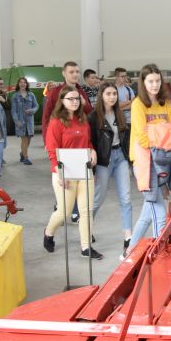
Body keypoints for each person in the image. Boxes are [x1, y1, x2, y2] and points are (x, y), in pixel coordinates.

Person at [124, 64, 171, 260]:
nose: (155, 85)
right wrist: (164, 132)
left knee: (148, 212)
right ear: (143, 82)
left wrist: (156, 132)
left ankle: (129, 252)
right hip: (145, 162)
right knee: (159, 212)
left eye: (157, 81)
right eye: (150, 81)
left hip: (163, 160)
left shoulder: (166, 103)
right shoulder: (138, 104)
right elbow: (142, 137)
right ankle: (159, 256)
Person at [43, 88, 101, 260]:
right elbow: (52, 150)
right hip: (64, 172)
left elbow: (87, 142)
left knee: (86, 210)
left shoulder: (82, 120)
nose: (75, 102)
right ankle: (48, 232)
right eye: (71, 99)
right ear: (62, 100)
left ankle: (86, 247)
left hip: (83, 170)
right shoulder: (56, 122)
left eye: (77, 99)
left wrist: (92, 151)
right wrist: (60, 173)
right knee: (64, 212)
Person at [89, 81, 133, 255]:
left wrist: (129, 159)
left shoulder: (119, 114)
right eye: (108, 94)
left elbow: (125, 137)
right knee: (98, 199)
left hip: (120, 157)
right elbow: (90, 143)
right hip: (103, 161)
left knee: (126, 198)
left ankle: (128, 236)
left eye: (114, 94)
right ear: (101, 96)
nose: (112, 97)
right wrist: (92, 170)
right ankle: (86, 229)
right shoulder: (93, 117)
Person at [42, 62, 93, 148]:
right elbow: (46, 116)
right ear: (64, 73)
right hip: (61, 137)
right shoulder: (55, 92)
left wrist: (85, 104)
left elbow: (91, 114)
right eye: (71, 72)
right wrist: (46, 141)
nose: (75, 74)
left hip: (80, 138)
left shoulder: (82, 92)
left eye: (77, 72)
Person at [11, 77, 38, 165]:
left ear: (26, 84)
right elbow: (13, 111)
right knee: (24, 139)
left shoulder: (31, 95)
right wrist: (16, 121)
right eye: (21, 82)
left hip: (29, 121)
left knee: (28, 139)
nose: (22, 84)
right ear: (18, 84)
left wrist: (31, 110)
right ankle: (26, 158)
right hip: (20, 122)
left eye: (24, 82)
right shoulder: (15, 96)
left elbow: (36, 106)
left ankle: (22, 153)